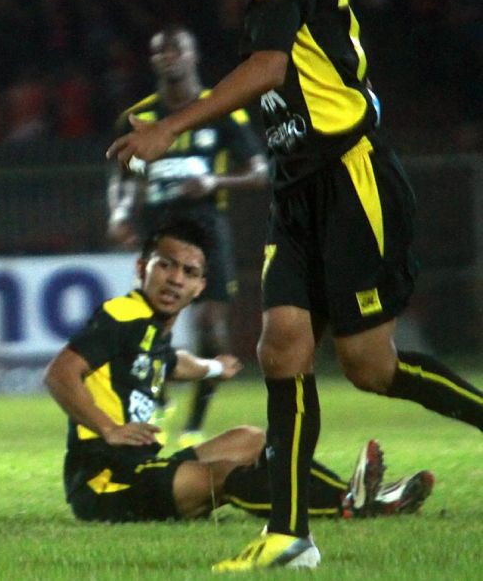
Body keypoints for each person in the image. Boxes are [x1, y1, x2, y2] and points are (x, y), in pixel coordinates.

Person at [107, 0, 483, 570]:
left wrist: (169, 127)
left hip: (349, 179)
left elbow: (268, 65)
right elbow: (283, 69)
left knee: (372, 366)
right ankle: (291, 534)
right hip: (297, 184)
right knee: (281, 345)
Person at [44, 218, 435, 525]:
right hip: (105, 480)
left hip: (143, 467)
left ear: (200, 287)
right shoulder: (123, 314)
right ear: (143, 267)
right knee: (223, 476)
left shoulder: (150, 328)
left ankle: (358, 495)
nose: (176, 279)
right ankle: (349, 504)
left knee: (252, 439)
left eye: (189, 271)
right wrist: (108, 429)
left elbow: (171, 362)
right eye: (166, 265)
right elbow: (60, 374)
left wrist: (213, 367)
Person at [107, 26, 267, 447]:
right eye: (160, 51)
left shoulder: (221, 110)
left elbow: (260, 171)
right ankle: (156, 395)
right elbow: (123, 173)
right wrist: (121, 212)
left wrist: (214, 181)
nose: (168, 57)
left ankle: (194, 423)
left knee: (211, 325)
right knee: (153, 323)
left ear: (194, 56)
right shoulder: (139, 115)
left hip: (207, 226)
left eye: (177, 49)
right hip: (159, 228)